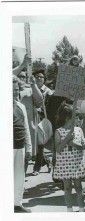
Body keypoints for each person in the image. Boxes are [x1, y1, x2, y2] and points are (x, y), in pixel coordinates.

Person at [52, 100, 85, 212]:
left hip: (76, 163)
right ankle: (69, 210)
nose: (78, 120)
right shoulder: (58, 131)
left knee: (78, 187)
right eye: (75, 118)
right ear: (68, 118)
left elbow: (83, 146)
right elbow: (58, 149)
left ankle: (81, 209)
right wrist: (67, 139)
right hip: (64, 164)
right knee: (67, 188)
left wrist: (76, 144)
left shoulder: (79, 130)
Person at [13, 54, 44, 162]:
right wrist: (23, 64)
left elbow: (40, 102)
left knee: (25, 156)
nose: (21, 78)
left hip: (27, 130)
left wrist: (34, 85)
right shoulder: (10, 90)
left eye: (24, 77)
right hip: (13, 129)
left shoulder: (30, 89)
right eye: (19, 76)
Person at [13, 76, 32, 213]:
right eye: (12, 90)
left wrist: (29, 147)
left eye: (16, 89)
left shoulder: (21, 106)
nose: (15, 92)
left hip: (20, 146)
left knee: (19, 176)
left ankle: (16, 203)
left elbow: (26, 128)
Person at [32, 69, 53, 175]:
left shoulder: (48, 92)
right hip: (32, 118)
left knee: (40, 144)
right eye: (37, 76)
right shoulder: (31, 89)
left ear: (44, 79)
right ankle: (47, 160)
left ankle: (37, 168)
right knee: (35, 143)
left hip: (42, 119)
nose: (39, 78)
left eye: (41, 77)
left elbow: (50, 107)